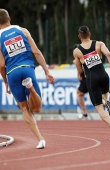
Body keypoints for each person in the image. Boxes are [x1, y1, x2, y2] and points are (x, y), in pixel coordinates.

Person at [0, 9, 55, 149]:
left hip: (12, 73)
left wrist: (6, 82)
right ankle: (30, 88)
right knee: (37, 108)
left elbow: (1, 65)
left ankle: (40, 139)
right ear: (9, 18)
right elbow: (36, 51)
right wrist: (47, 71)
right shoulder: (22, 30)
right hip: (27, 68)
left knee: (24, 108)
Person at [73, 26, 110, 140]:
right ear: (90, 34)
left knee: (99, 107)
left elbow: (80, 71)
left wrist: (82, 66)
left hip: (91, 78)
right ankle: (107, 101)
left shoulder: (77, 51)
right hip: (104, 75)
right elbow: (109, 55)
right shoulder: (99, 44)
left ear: (79, 36)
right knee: (105, 93)